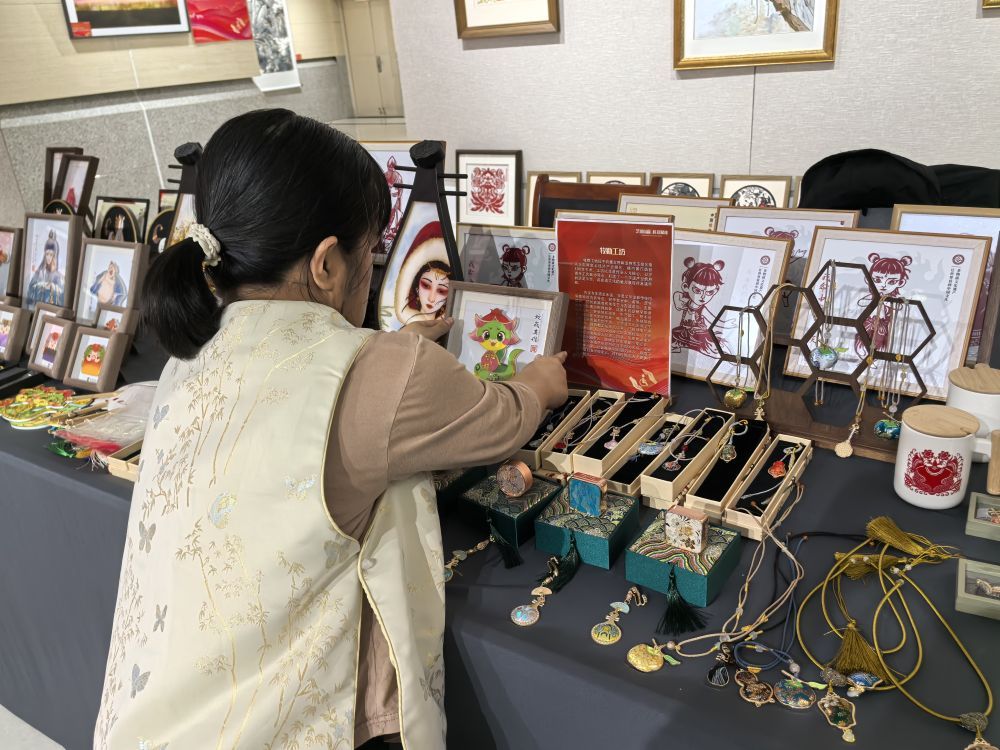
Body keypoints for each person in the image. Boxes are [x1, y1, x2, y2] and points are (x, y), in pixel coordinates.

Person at [94, 109, 568, 750]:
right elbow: (503, 417)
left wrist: (396, 352)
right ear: (325, 265)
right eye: (370, 252)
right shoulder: (385, 370)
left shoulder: (190, 347)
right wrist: (540, 381)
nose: (373, 268)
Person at [26, 230, 65, 310]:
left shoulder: (59, 276)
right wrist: (42, 285)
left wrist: (52, 287)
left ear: (55, 256)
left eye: (51, 255)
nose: (49, 257)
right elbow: (30, 290)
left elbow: (62, 296)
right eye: (47, 254)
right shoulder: (39, 273)